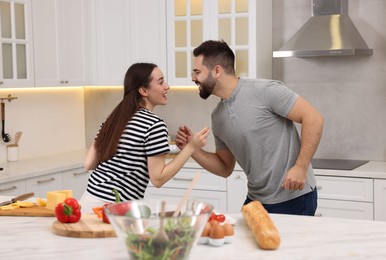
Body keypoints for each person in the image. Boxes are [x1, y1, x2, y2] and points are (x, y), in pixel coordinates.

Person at [176, 40, 324, 216]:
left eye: (197, 72)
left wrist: (301, 167)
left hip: (294, 198)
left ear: (217, 71)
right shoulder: (218, 117)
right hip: (256, 200)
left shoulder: (265, 90)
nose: (193, 78)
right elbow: (225, 168)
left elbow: (314, 118)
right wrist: (191, 149)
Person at [80, 63, 209, 213]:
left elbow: (89, 164)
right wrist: (191, 147)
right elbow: (158, 179)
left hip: (88, 201)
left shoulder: (113, 119)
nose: (167, 86)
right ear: (143, 90)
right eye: (161, 82)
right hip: (117, 208)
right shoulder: (154, 125)